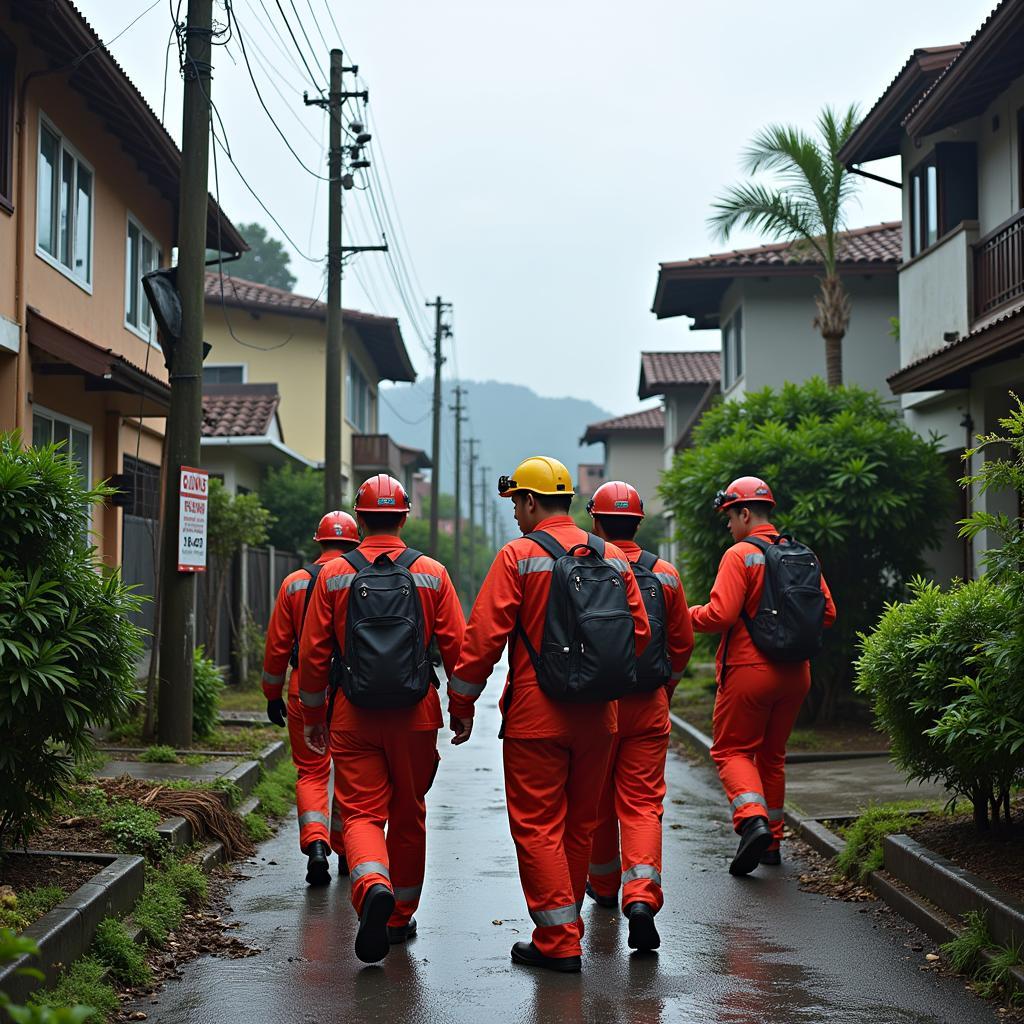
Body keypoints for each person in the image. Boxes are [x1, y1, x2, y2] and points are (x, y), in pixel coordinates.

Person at [448, 456, 651, 973]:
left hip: (538, 716)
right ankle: (567, 927)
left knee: (538, 825)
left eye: (517, 501)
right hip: (599, 718)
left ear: (532, 500)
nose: (515, 512)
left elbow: (484, 638)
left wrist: (462, 702)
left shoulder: (519, 556)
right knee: (579, 826)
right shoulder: (614, 557)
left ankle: (558, 940)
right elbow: (640, 635)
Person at [298, 474, 465, 964]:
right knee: (409, 813)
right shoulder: (432, 572)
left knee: (362, 813)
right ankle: (399, 917)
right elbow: (457, 647)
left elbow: (312, 656)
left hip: (354, 713)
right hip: (417, 714)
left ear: (361, 517)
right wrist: (461, 708)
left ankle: (372, 884)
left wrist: (313, 714)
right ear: (405, 515)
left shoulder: (333, 576)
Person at [689, 476, 836, 875]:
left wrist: (682, 618)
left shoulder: (740, 555)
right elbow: (828, 613)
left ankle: (751, 819)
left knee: (731, 751)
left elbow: (720, 615)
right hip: (797, 674)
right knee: (771, 756)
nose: (728, 526)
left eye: (729, 517)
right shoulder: (802, 554)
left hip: (750, 672)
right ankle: (770, 842)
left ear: (746, 512)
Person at [582, 481, 694, 952]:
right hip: (650, 704)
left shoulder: (585, 566)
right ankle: (642, 897)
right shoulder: (664, 573)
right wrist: (664, 689)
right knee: (643, 804)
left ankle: (605, 888)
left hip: (599, 705)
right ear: (639, 522)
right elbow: (682, 644)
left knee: (599, 802)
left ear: (596, 521)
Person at [261, 510, 359, 886]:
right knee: (352, 772)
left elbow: (276, 647)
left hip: (304, 688)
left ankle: (316, 844)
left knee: (312, 771)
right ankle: (349, 849)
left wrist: (272, 693)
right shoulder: (361, 576)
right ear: (354, 542)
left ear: (318, 541)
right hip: (351, 691)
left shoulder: (294, 583)